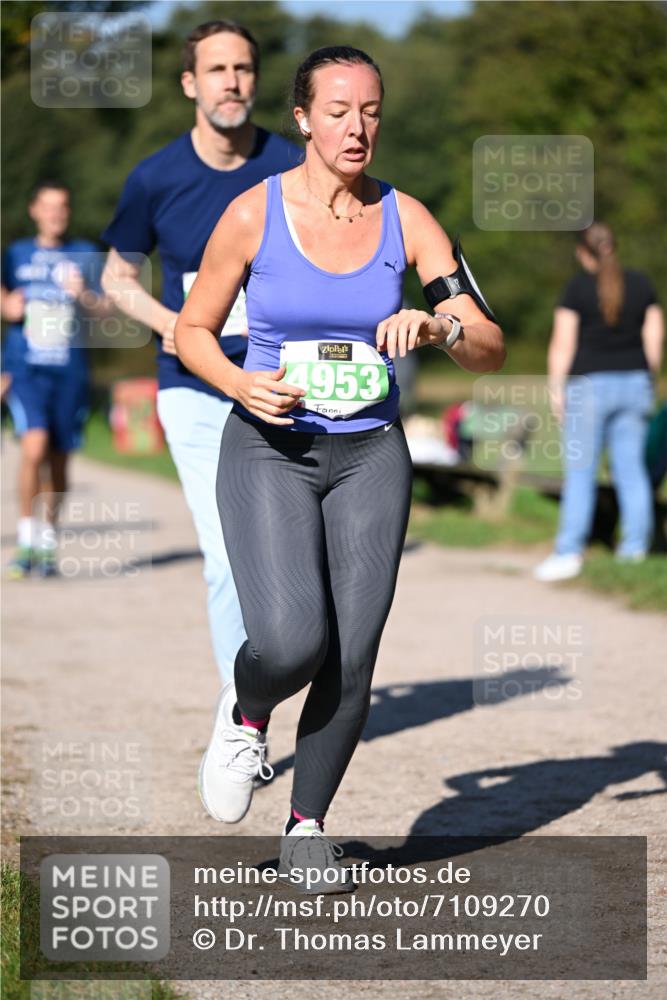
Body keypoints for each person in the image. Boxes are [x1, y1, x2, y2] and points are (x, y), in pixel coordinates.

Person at [175, 46, 505, 885]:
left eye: (370, 111)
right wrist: (239, 383)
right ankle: (247, 710)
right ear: (301, 119)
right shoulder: (252, 214)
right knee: (292, 641)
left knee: (352, 657)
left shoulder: (407, 217)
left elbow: (488, 344)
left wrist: (439, 327)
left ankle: (306, 825)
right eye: (337, 111)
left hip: (369, 455)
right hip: (271, 447)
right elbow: (191, 331)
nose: (357, 128)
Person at [101, 21, 300, 681]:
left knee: (294, 557)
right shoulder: (154, 177)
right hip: (194, 388)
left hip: (284, 384)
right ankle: (241, 709)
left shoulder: (293, 167)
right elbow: (116, 277)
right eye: (217, 70)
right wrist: (173, 325)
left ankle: (290, 678)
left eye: (243, 69)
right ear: (190, 83)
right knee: (227, 557)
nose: (232, 82)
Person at [535, 222, 664, 582]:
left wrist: (557, 390)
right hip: (635, 383)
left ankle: (569, 552)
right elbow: (655, 337)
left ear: (582, 252)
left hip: (588, 386)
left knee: (580, 473)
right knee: (632, 472)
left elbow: (563, 344)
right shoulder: (642, 284)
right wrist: (647, 376)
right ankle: (635, 550)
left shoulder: (576, 288)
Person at [2, 181, 110, 578]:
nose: (55, 213)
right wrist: (6, 305)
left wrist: (83, 295)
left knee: (60, 460)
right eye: (48, 206)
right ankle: (25, 541)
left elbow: (106, 311)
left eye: (62, 206)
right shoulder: (16, 253)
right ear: (34, 210)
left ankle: (47, 543)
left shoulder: (86, 253)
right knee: (34, 448)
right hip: (26, 369)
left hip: (70, 371)